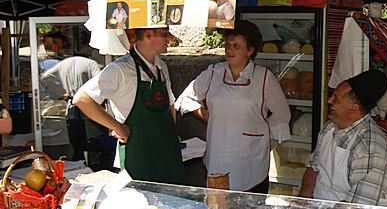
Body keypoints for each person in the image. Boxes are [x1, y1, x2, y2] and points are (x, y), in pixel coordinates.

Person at [175, 20, 290, 193]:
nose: (230, 50)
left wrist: (261, 137)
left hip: (251, 158)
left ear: (249, 51)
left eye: (236, 46)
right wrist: (203, 113)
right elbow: (186, 98)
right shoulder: (214, 72)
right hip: (218, 152)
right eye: (228, 45)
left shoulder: (264, 77)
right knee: (219, 207)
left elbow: (282, 116)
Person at [73, 27, 184, 184]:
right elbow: (82, 99)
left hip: (167, 154)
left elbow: (170, 105)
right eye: (165, 34)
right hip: (138, 158)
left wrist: (171, 136)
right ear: (147, 35)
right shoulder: (120, 69)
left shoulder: (161, 67)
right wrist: (117, 127)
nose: (170, 38)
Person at [298, 69, 387, 206]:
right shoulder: (331, 127)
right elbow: (313, 168)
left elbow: (356, 208)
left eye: (336, 98)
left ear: (354, 108)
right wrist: (301, 205)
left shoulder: (370, 148)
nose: (329, 101)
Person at [41, 56, 103, 161]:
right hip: (88, 105)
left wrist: (60, 91)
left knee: (76, 139)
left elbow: (44, 77)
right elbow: (101, 83)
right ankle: (91, 161)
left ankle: (79, 159)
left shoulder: (63, 63)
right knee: (92, 139)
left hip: (72, 106)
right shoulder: (91, 64)